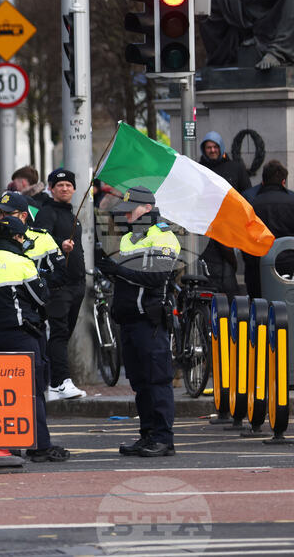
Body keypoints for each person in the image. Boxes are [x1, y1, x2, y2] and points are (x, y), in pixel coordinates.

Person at [0, 216, 70, 463]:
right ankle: (40, 446)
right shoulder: (22, 263)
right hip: (23, 336)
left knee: (3, 393)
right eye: (23, 237)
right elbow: (42, 296)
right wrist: (40, 278)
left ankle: (8, 444)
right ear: (16, 237)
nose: (25, 241)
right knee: (32, 391)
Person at [95, 186, 181, 457]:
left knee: (157, 381)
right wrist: (109, 270)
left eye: (132, 210)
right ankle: (147, 435)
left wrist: (118, 270)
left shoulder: (163, 237)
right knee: (140, 383)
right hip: (130, 320)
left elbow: (156, 277)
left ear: (147, 209)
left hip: (150, 321)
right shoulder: (129, 239)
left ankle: (163, 439)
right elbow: (127, 279)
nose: (127, 215)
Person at [34, 169, 88, 401]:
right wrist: (59, 244)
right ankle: (60, 382)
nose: (64, 188)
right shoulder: (47, 212)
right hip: (59, 286)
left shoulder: (71, 214)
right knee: (59, 333)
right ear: (51, 188)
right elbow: (36, 241)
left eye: (68, 185)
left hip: (76, 284)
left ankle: (54, 382)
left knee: (63, 335)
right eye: (59, 185)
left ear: (74, 189)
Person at [0, 191, 66, 290]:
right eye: (0, 213)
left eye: (8, 213)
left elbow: (61, 275)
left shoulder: (42, 237)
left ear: (23, 216)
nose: (2, 218)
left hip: (32, 299)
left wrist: (34, 283)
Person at [199, 131, 251, 298]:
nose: (212, 150)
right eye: (209, 147)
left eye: (215, 147)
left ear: (221, 147)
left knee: (229, 265)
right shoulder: (199, 169)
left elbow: (247, 195)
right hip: (207, 227)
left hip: (230, 226)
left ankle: (230, 298)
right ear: (203, 149)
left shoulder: (236, 168)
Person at [243, 160, 294, 297]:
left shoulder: (251, 205)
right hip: (289, 265)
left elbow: (245, 239)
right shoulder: (292, 202)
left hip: (258, 267)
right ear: (283, 182)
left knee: (260, 306)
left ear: (263, 181)